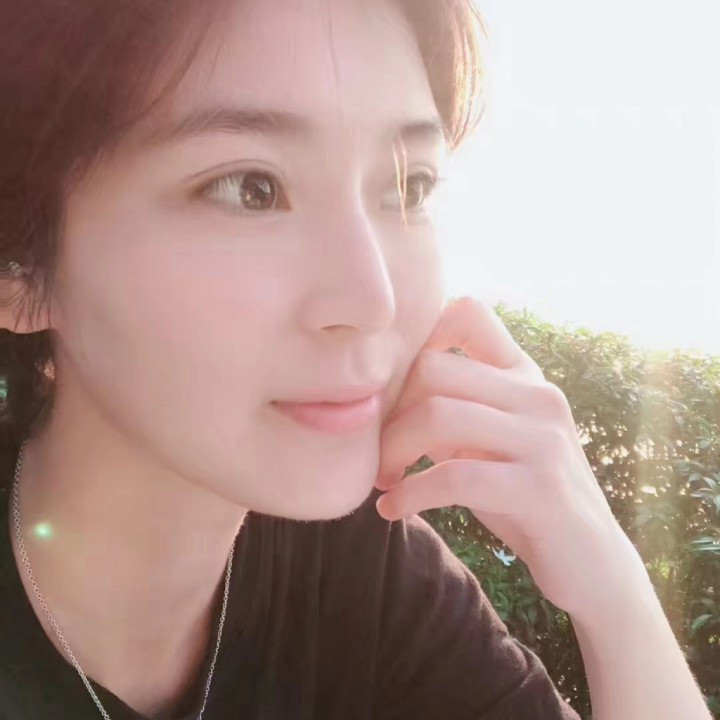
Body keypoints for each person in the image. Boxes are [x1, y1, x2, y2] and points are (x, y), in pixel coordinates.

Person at [0, 1, 711, 719]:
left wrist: (613, 594)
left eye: (409, 187)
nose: (375, 300)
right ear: (19, 268)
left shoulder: (361, 568)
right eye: (251, 189)